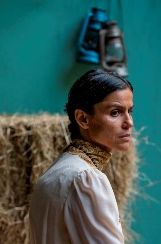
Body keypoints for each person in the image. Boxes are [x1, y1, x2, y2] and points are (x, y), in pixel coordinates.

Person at [29, 69, 133, 244]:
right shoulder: (85, 178)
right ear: (83, 118)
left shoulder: (56, 173)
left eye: (130, 111)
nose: (129, 122)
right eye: (115, 112)